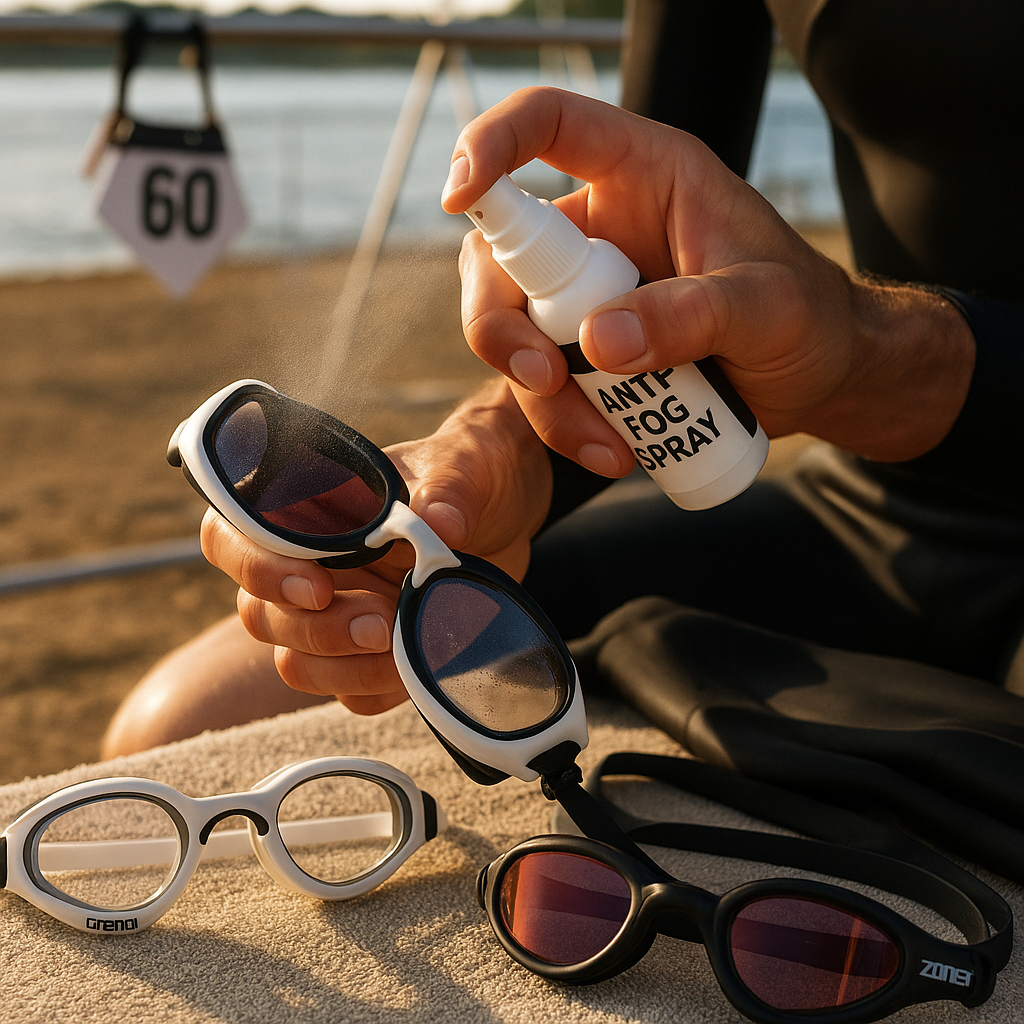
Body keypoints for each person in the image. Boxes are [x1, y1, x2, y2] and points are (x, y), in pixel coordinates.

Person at [102, 0, 1024, 758]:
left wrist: (877, 357)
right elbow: (645, 251)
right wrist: (502, 455)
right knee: (187, 713)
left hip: (913, 412)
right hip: (877, 509)